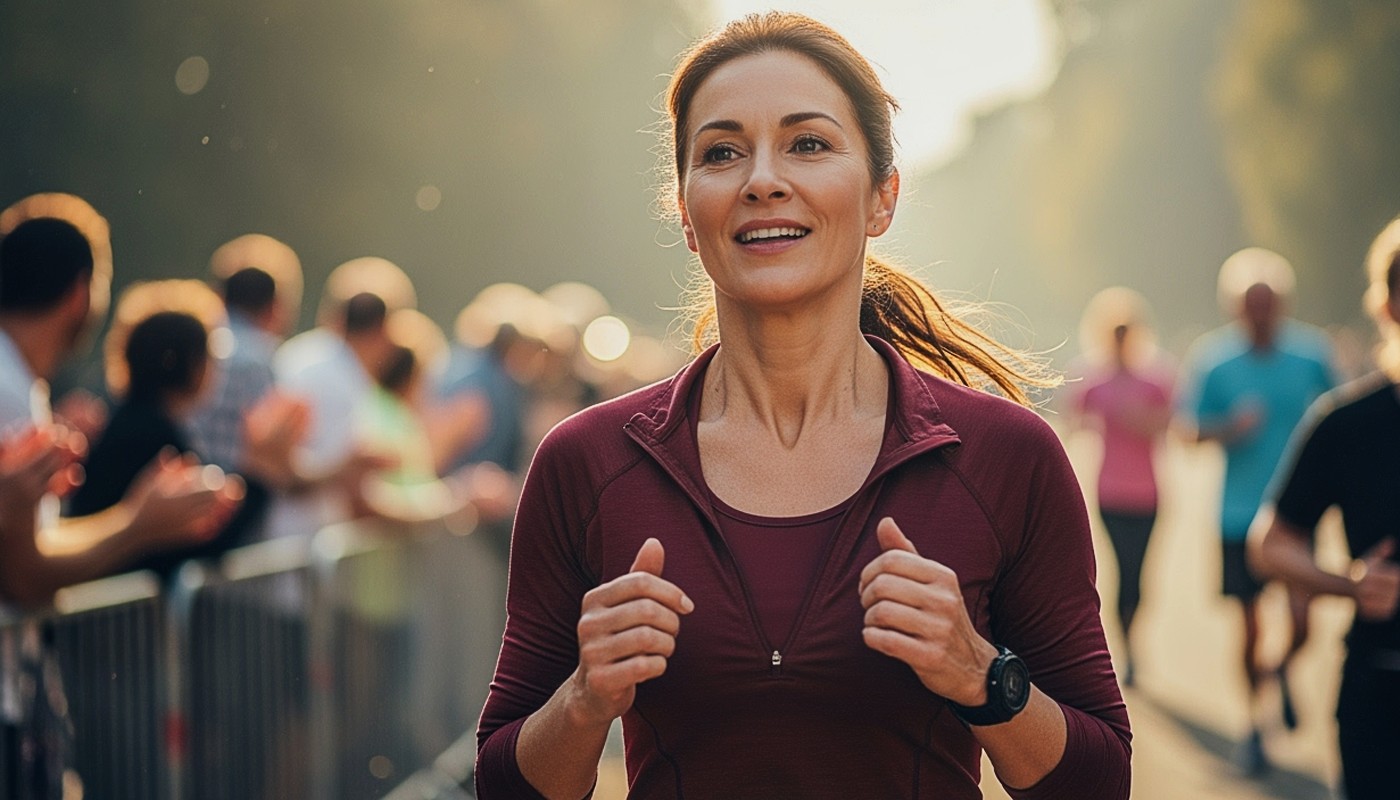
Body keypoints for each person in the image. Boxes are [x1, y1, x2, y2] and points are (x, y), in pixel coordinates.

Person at [475, 13, 1130, 799]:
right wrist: (582, 703)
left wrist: (983, 674)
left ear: (883, 198)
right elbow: (502, 784)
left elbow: (1099, 783)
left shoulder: (1008, 455)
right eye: (721, 153)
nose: (761, 179)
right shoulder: (587, 462)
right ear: (686, 212)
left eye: (808, 144)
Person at [0, 205, 237, 605]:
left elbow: (33, 545)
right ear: (81, 292)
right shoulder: (9, 387)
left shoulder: (21, 381)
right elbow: (24, 576)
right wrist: (137, 524)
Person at [1250, 216, 1400, 800]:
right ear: (1387, 305)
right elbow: (1271, 544)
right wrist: (1349, 584)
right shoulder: (1346, 424)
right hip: (1382, 687)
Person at [1176, 247, 1337, 772]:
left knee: (1303, 624)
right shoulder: (1214, 361)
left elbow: (1342, 418)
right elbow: (1188, 431)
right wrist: (1229, 428)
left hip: (1297, 515)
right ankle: (1253, 725)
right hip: (1236, 519)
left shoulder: (1311, 354)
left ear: (1283, 305)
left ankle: (1281, 670)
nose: (1260, 313)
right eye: (1251, 304)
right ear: (1235, 307)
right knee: (1247, 629)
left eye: (1269, 304)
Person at [68, 295, 247, 578]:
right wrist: (259, 477)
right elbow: (198, 537)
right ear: (191, 362)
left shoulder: (126, 419)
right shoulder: (157, 436)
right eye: (209, 357)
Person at [1067, 287, 1174, 688]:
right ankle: (1127, 651)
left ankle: (1133, 636)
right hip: (1110, 492)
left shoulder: (1155, 379)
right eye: (1114, 331)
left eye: (1127, 330)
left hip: (1147, 493)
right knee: (1123, 571)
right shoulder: (1093, 381)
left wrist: (1139, 420)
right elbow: (1072, 423)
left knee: (1140, 575)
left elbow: (1169, 426)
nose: (1121, 338)